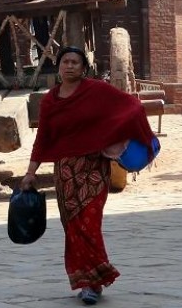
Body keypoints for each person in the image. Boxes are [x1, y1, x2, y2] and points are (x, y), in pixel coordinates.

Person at [21, 46, 156, 306]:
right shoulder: (50, 100)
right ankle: (87, 282)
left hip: (94, 169)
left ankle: (95, 280)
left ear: (84, 68)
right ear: (59, 67)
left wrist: (117, 137)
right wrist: (30, 172)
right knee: (73, 228)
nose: (70, 66)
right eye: (65, 62)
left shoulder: (97, 90)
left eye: (75, 62)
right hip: (65, 173)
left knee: (90, 225)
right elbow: (43, 138)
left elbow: (132, 106)